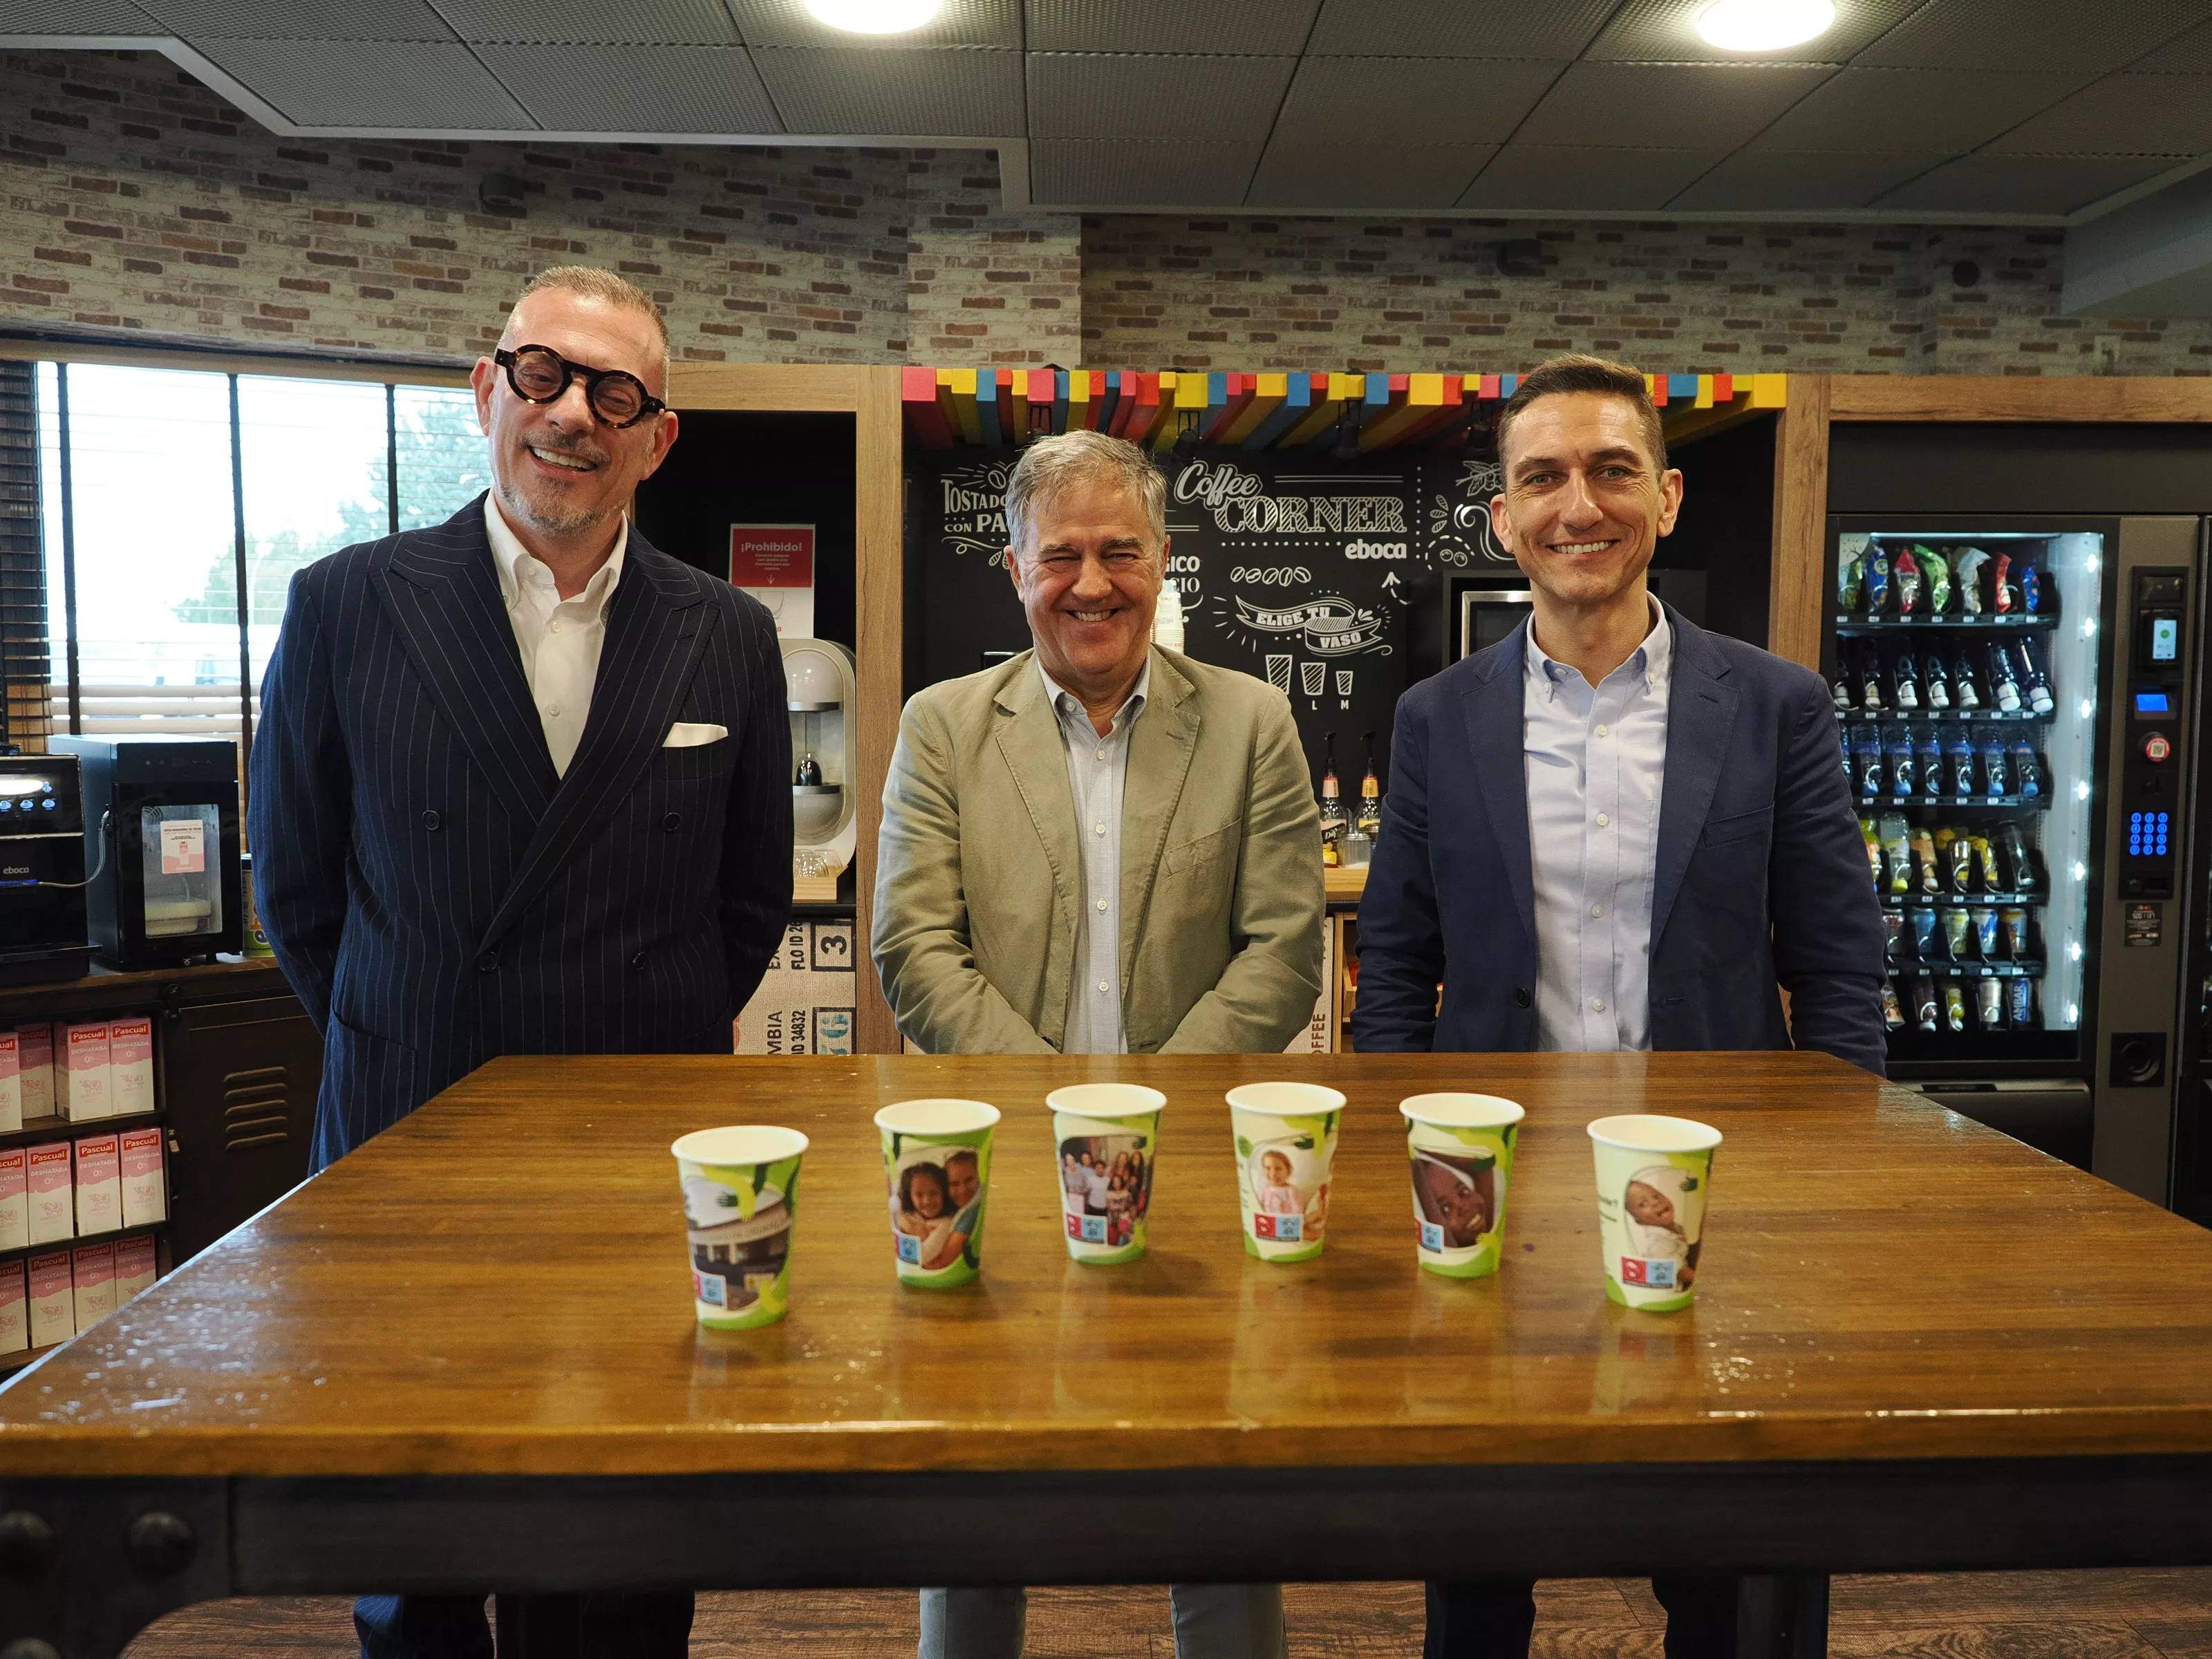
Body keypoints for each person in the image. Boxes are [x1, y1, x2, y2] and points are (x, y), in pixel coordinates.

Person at [250, 265, 791, 1659]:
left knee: (616, 1539)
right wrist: (406, 1021)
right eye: (543, 375)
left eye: (615, 393)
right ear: (486, 388)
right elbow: (296, 890)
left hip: (638, 1141)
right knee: (414, 1544)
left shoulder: (728, 633)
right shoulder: (346, 604)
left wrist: (643, 1025)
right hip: (408, 1135)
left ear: (658, 437)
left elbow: (749, 904)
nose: (573, 415)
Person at [1349, 354, 1884, 1659]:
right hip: (1489, 1185)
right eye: (1543, 478)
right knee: (1481, 1548)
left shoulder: (1776, 706)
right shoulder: (1436, 718)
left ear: (1668, 497)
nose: (1577, 505)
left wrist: (1840, 1178)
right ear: (1503, 518)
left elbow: (1837, 964)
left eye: (1610, 471)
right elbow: (1396, 968)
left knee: (1728, 1551)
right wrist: (1397, 1167)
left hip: (1721, 1180)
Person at [874, 427, 1323, 1659]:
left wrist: (1142, 1124)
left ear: (1163, 559)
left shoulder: (1252, 721)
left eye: (1119, 551)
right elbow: (915, 948)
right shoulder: (942, 726)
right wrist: (1067, 1125)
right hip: (998, 1161)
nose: (1091, 584)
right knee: (978, 1472)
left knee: (1219, 1470)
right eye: (1060, 555)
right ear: (1015, 569)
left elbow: (1285, 949)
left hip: (1199, 1164)